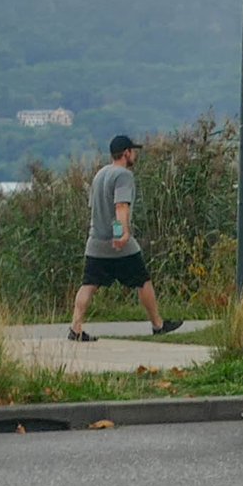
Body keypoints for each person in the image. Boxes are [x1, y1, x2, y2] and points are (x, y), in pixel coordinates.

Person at [70, 135, 177, 341]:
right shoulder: (123, 175)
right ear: (126, 153)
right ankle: (158, 324)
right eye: (133, 151)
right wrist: (121, 234)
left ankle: (75, 327)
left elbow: (95, 208)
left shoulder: (100, 174)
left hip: (95, 241)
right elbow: (120, 206)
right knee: (142, 280)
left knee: (88, 283)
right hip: (118, 242)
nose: (134, 155)